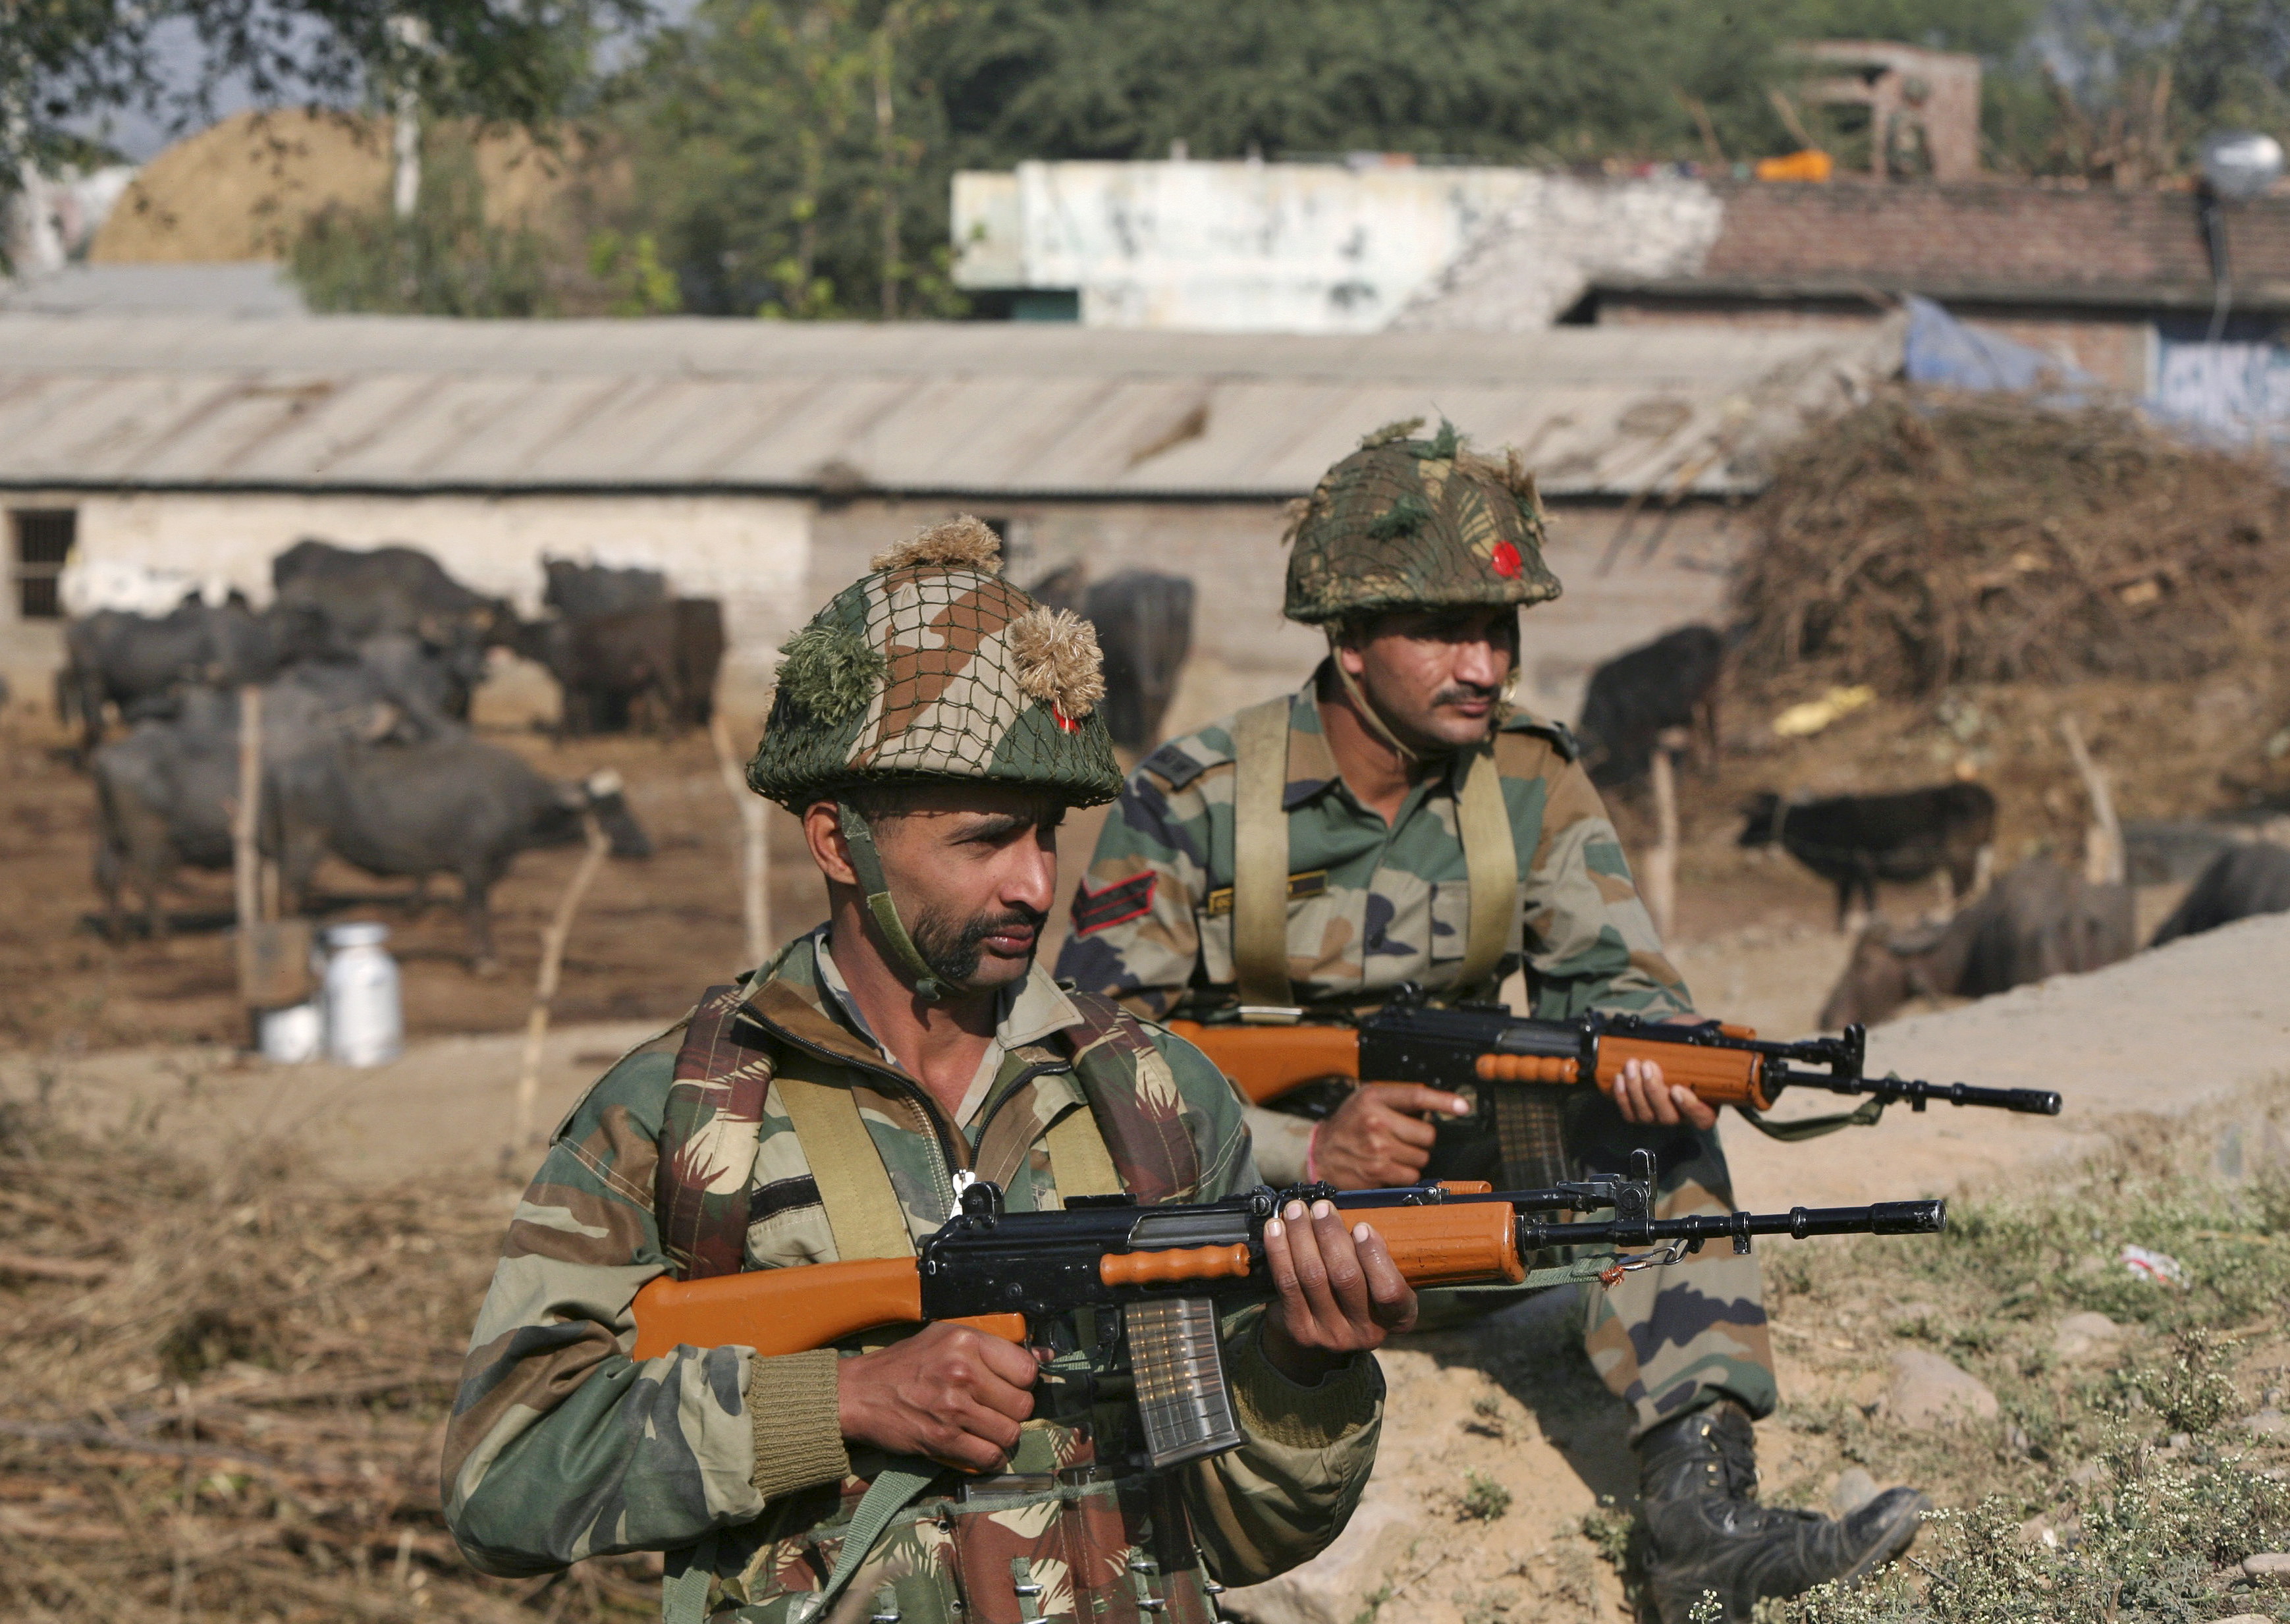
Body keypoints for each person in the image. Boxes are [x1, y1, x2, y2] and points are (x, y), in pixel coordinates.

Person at [441, 518, 1413, 1624]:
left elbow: (1247, 1531)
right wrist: (846, 1397)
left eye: (1047, 834)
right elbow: (501, 1477)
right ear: (836, 840)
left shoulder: (1155, 1099)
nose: (1037, 884)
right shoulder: (673, 1117)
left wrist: (1304, 1369)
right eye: (984, 839)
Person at [1053, 423, 1928, 1624]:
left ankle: (1699, 1520)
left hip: (1457, 1217)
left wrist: (1659, 1053)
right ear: (1348, 642)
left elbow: (1617, 976)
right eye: (1445, 630)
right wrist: (1300, 1151)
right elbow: (1091, 1062)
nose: (1485, 663)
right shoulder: (1192, 799)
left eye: (1501, 630)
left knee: (1659, 1143)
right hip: (1249, 1240)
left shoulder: (1527, 777)